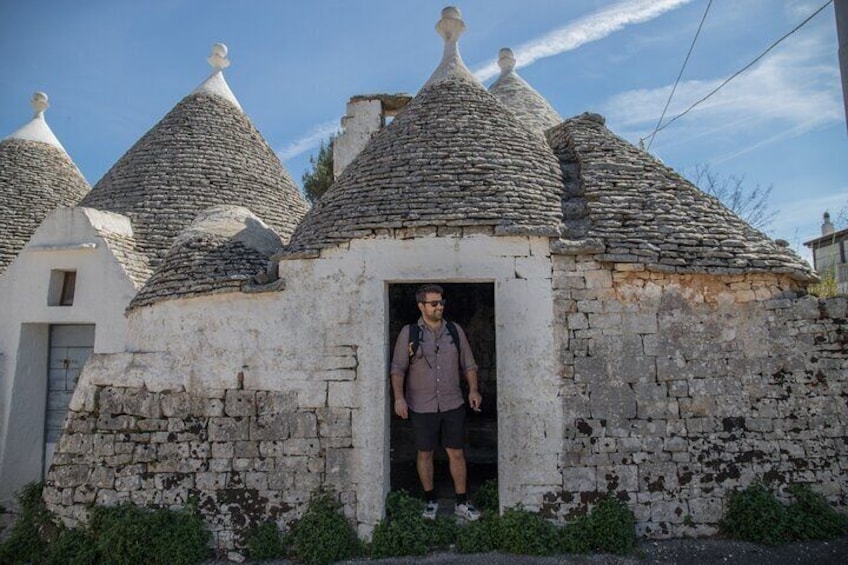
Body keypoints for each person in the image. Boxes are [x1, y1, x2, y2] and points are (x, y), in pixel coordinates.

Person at [390, 284, 482, 521]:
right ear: (421, 306)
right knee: (425, 453)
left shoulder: (454, 330)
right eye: (434, 303)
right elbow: (398, 368)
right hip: (421, 405)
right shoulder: (408, 333)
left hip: (453, 403)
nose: (439, 306)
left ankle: (462, 502)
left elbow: (469, 364)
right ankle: (430, 500)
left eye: (441, 302)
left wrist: (474, 390)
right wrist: (399, 398)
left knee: (457, 453)